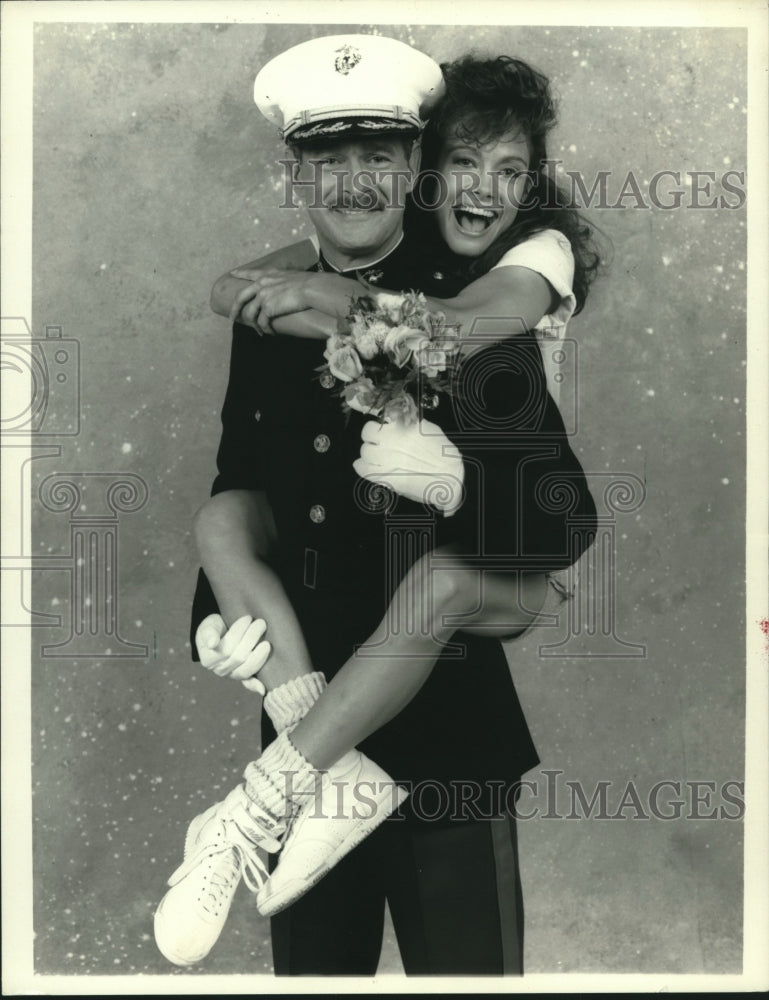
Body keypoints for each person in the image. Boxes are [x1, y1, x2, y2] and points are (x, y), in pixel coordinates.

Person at [154, 36, 598, 975]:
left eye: (378, 156)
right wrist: (213, 618)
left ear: (413, 168)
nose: (353, 183)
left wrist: (455, 483)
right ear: (296, 173)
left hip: (448, 746)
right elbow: (240, 487)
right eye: (327, 158)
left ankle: (258, 801)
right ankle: (302, 781)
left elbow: (559, 518)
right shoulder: (267, 309)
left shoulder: (473, 307)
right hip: (302, 702)